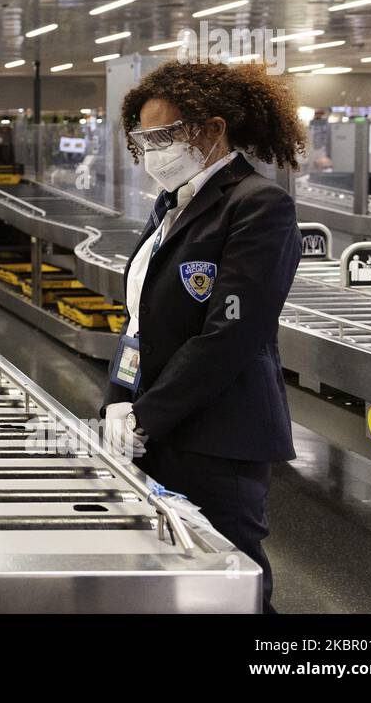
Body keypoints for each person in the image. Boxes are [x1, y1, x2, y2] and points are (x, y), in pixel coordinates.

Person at [103, 61, 307, 614]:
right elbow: (140, 320)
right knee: (175, 575)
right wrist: (119, 400)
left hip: (219, 437)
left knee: (230, 581)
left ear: (211, 130)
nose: (149, 151)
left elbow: (230, 336)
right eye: (141, 138)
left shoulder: (258, 206)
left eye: (161, 135)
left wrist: (147, 416)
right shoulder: (171, 205)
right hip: (159, 428)